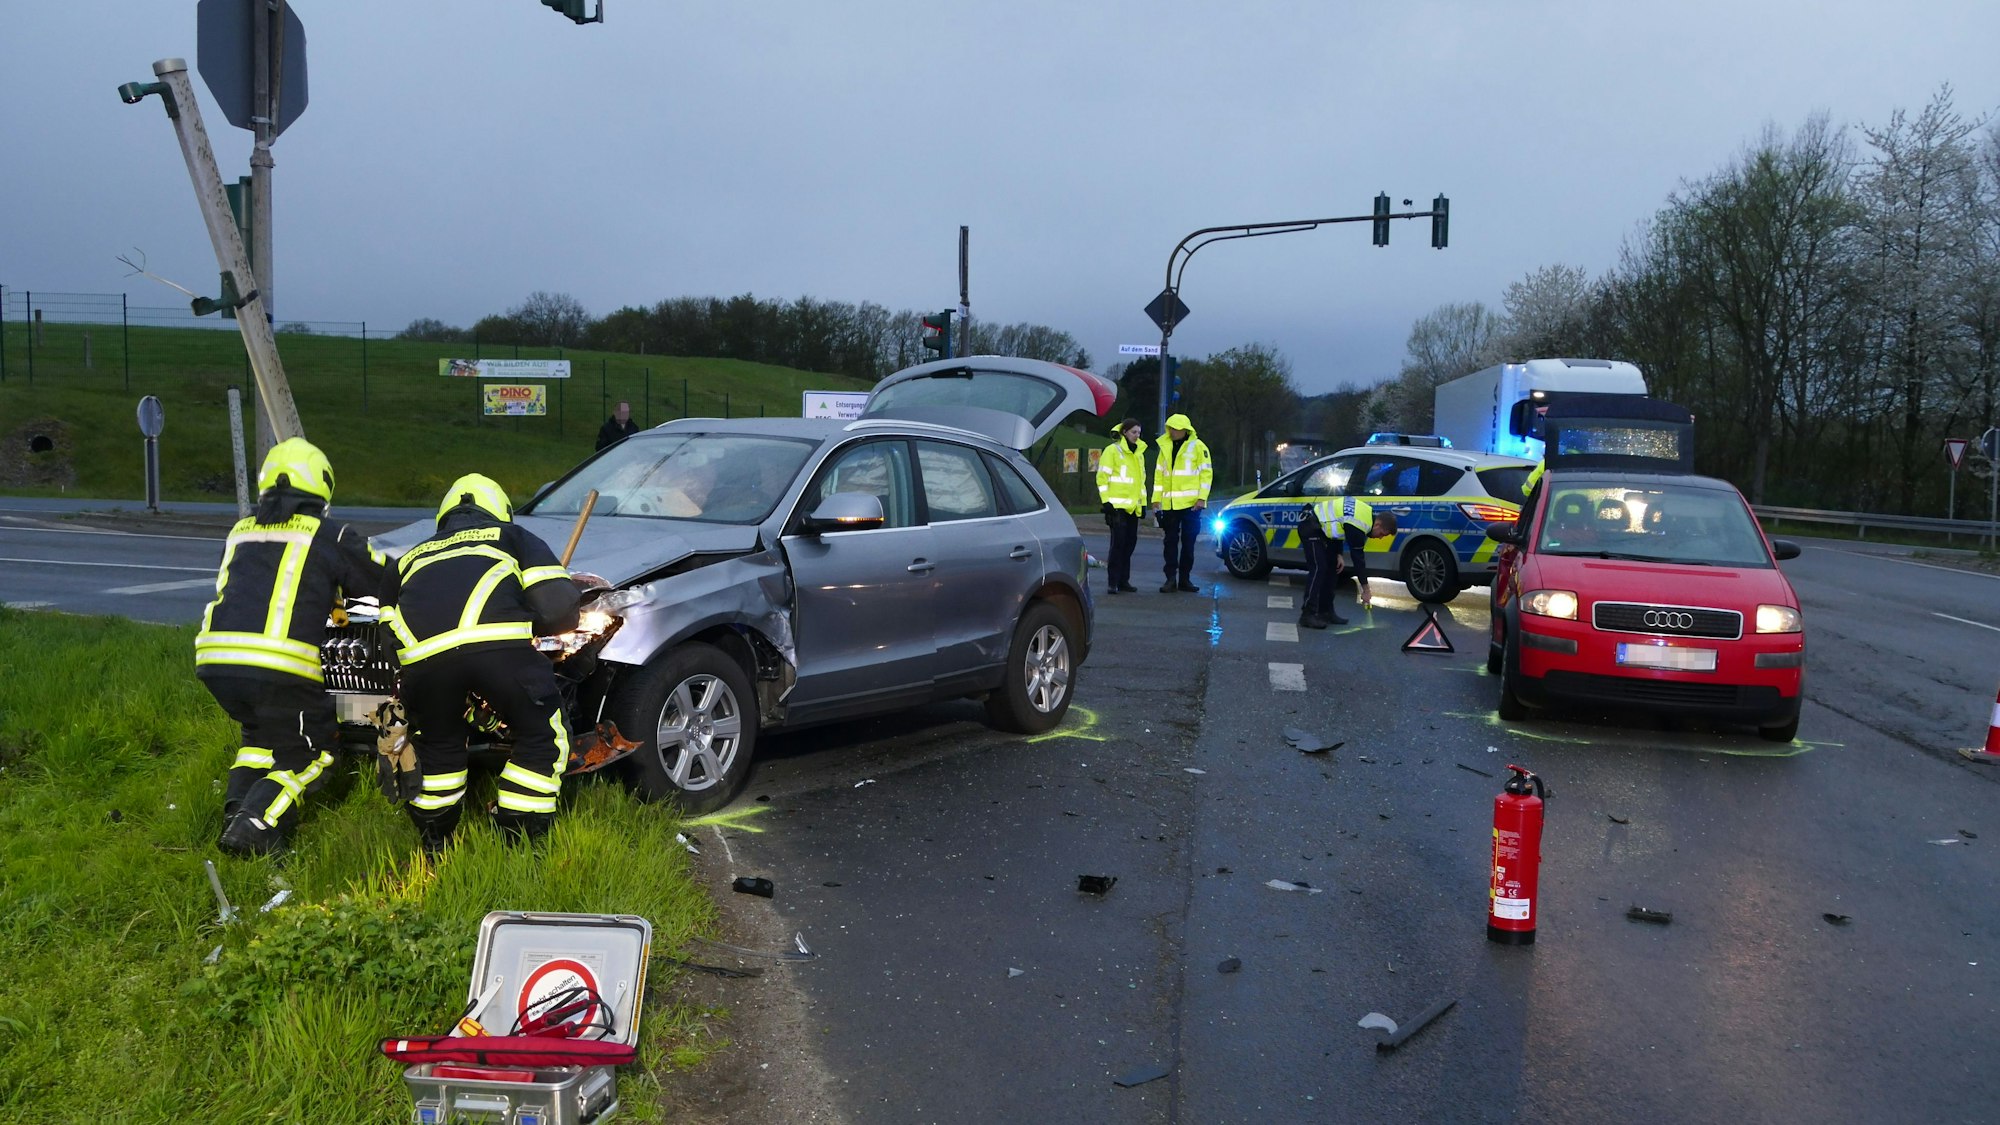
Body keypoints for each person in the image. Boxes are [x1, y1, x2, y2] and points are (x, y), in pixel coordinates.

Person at [196, 438, 388, 856]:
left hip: (217, 661)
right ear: (321, 489)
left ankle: (236, 813)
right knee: (312, 754)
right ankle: (258, 826)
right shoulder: (328, 532)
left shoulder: (242, 531)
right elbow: (384, 581)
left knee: (262, 740)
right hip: (279, 667)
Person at [384, 474, 581, 850]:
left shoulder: (408, 556)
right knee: (543, 737)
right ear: (501, 512)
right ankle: (518, 837)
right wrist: (522, 618)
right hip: (500, 653)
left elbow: (388, 634)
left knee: (438, 745)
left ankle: (435, 841)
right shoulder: (512, 537)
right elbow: (560, 611)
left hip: (425, 665)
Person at [1299, 496, 1398, 629]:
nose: (1380, 538)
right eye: (1381, 534)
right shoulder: (1359, 524)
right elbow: (1358, 559)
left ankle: (1325, 612)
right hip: (1311, 527)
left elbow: (1338, 527)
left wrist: (1338, 554)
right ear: (1378, 524)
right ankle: (1307, 615)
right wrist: (1366, 590)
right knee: (1319, 568)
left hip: (1323, 531)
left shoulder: (1366, 513)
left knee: (1332, 568)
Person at [1150, 412, 1212, 593]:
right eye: (1170, 428)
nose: (1172, 431)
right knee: (1169, 542)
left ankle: (1185, 579)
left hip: (1191, 505)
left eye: (1176, 429)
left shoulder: (1198, 447)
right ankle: (1170, 579)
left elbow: (1206, 474)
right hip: (1169, 505)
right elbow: (1159, 476)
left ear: (1185, 430)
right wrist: (1156, 500)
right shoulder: (1165, 447)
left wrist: (1202, 498)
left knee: (1189, 543)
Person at [1094, 418, 1147, 595]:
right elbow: (1102, 478)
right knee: (1118, 545)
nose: (1137, 436)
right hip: (1116, 508)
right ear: (1124, 432)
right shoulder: (1113, 451)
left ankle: (1124, 580)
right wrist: (1106, 501)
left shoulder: (1139, 454)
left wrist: (1143, 504)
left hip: (1133, 508)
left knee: (1130, 544)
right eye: (1134, 432)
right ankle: (1113, 582)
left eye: (1139, 433)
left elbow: (1141, 482)